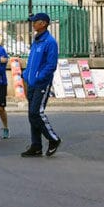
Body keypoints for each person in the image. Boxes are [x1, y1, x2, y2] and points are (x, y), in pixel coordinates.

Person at [22, 12, 61, 157]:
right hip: (32, 82)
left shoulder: (49, 42)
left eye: (35, 21)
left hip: (41, 83)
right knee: (32, 115)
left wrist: (38, 78)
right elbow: (32, 61)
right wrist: (25, 76)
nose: (33, 24)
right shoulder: (37, 40)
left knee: (36, 112)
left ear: (43, 23)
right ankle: (36, 145)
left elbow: (51, 65)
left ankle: (53, 139)